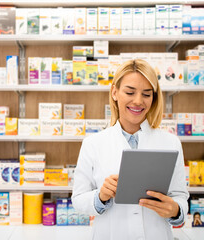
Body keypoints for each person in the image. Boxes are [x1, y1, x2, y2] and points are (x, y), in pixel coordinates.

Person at [72, 59, 189, 240]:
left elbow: (180, 196)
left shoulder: (171, 143)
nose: (138, 101)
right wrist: (100, 196)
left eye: (146, 94)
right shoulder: (93, 143)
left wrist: (175, 210)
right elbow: (78, 199)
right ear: (114, 92)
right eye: (130, 92)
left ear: (154, 98)